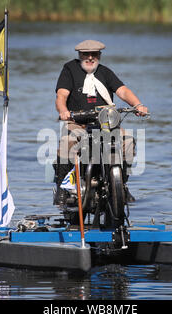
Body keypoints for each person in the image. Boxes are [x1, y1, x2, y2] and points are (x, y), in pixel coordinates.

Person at [54, 39, 148, 206]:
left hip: (106, 123)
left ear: (99, 55)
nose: (90, 58)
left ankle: (122, 185)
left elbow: (123, 91)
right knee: (66, 142)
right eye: (86, 54)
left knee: (128, 142)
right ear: (79, 55)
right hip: (78, 123)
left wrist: (138, 105)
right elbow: (61, 96)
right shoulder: (70, 69)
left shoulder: (105, 72)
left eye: (94, 55)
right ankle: (62, 188)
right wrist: (63, 111)